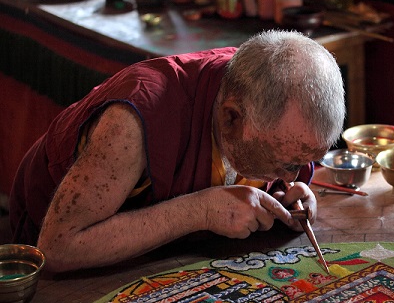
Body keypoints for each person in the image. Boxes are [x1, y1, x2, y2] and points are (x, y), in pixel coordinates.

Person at [9, 30, 345, 273]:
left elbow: (275, 160)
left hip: (171, 260)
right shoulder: (134, 120)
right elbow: (57, 246)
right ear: (230, 118)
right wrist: (199, 211)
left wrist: (288, 193)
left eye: (304, 162)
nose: (293, 173)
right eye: (286, 163)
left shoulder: (258, 96)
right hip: (54, 261)